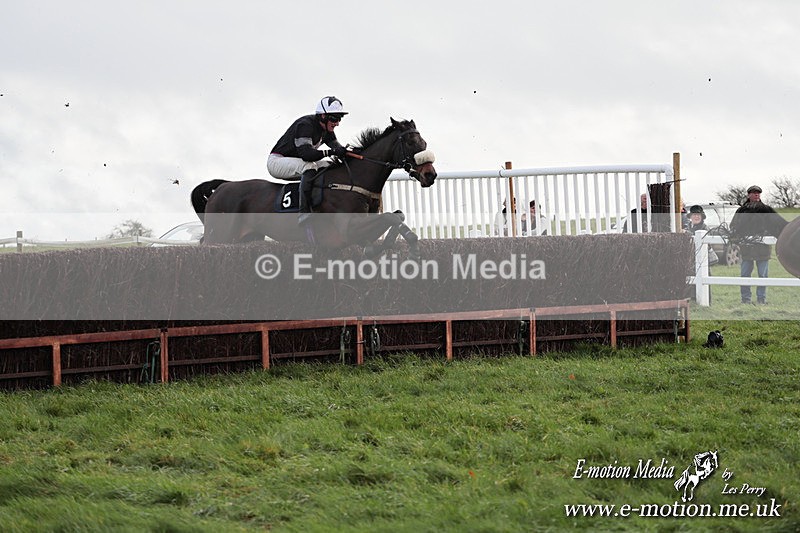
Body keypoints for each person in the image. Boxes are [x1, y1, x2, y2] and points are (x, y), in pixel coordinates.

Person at [267, 96, 349, 224]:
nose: (337, 122)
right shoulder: (305, 125)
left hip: (296, 162)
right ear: (322, 116)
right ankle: (304, 212)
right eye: (335, 118)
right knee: (309, 166)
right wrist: (331, 152)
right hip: (277, 162)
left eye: (340, 118)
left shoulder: (327, 130)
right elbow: (307, 155)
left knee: (330, 164)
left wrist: (350, 152)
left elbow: (337, 148)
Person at [729, 184, 788, 305]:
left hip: (762, 249)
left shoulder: (766, 210)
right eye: (754, 192)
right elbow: (733, 226)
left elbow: (779, 224)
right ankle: (745, 299)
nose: (756, 194)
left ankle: (761, 299)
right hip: (746, 249)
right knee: (745, 275)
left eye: (758, 193)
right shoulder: (741, 210)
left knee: (762, 275)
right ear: (748, 195)